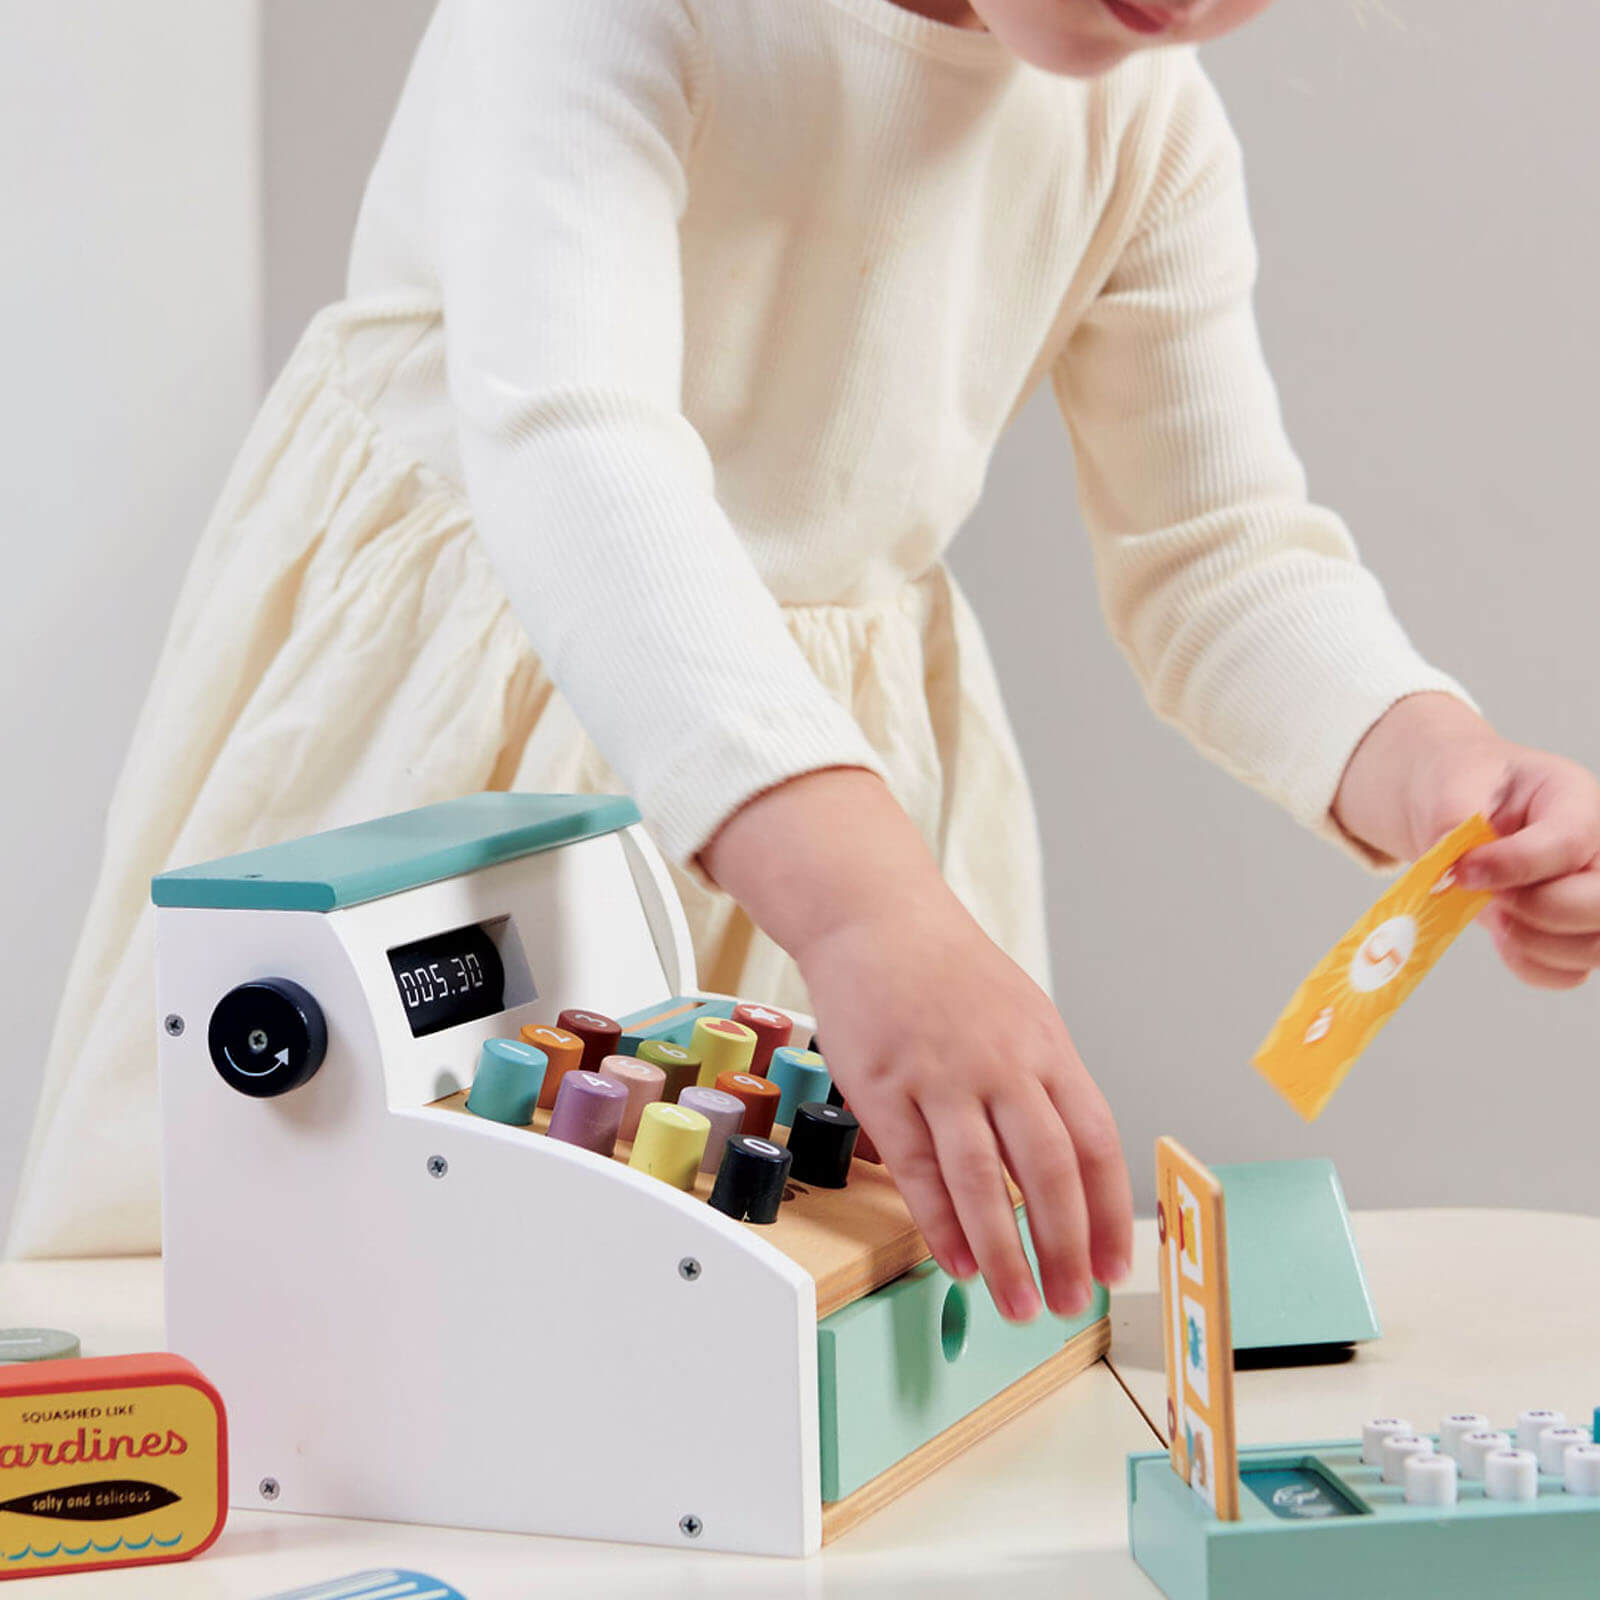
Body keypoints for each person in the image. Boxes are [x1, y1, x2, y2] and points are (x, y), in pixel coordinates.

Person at [14, 1, 1600, 1330]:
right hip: (466, 782)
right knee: (310, 1322)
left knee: (772, 1340)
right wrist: (874, 911)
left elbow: (1219, 554)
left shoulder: (1148, 125)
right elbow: (581, 453)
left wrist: (1430, 762)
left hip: (826, 813)